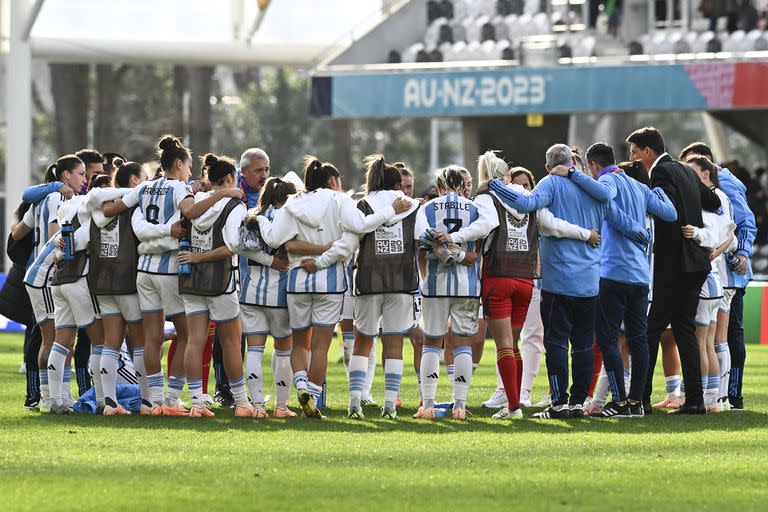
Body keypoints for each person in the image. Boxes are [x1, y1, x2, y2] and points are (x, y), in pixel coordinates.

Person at [489, 144, 646, 419]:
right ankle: (577, 403)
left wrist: (492, 185)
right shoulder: (594, 189)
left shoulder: (551, 183)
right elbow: (621, 220)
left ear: (549, 166)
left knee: (557, 343)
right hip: (590, 281)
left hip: (558, 281)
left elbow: (524, 204)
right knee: (585, 344)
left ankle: (559, 403)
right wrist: (641, 234)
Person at [257, 156, 410, 418]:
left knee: (299, 344)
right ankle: (312, 398)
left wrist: (258, 218)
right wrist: (389, 211)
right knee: (320, 347)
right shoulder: (339, 200)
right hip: (329, 281)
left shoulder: (294, 202)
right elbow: (360, 226)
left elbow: (273, 238)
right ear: (333, 180)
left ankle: (301, 385)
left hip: (297, 280)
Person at [102, 135, 243, 416]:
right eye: (189, 165)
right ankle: (172, 398)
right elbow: (190, 211)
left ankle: (152, 402)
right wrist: (222, 193)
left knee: (151, 336)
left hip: (145, 270)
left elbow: (109, 209)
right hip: (169, 268)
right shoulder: (179, 188)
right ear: (178, 163)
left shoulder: (145, 188)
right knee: (187, 335)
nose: (190, 172)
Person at [477, 156, 602, 418]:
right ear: (508, 176)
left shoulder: (487, 197)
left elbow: (482, 227)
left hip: (499, 276)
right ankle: (535, 397)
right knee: (520, 344)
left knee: (507, 345)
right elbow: (549, 224)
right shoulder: (533, 196)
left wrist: (455, 238)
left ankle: (514, 405)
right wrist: (586, 233)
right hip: (526, 280)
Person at [572, 143, 677, 418]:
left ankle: (619, 402)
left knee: (607, 338)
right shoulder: (640, 188)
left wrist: (573, 175)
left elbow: (606, 206)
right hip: (641, 276)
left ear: (593, 166)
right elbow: (670, 214)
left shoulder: (606, 180)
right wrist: (660, 191)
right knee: (638, 339)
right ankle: (636, 402)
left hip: (613, 271)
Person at [627, 127, 721, 415]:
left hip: (674, 265)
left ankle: (640, 398)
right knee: (683, 330)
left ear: (647, 151)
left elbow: (664, 209)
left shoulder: (662, 173)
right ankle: (694, 400)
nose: (632, 157)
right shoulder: (687, 170)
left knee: (651, 329)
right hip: (696, 264)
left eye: (633, 151)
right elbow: (714, 202)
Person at [325, 155, 420, 420]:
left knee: (362, 342)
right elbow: (422, 238)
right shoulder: (412, 205)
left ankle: (355, 401)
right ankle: (390, 405)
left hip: (368, 280)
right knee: (394, 343)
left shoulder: (363, 205)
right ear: (398, 184)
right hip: (401, 281)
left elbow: (350, 244)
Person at [177, 154, 258, 418]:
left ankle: (198, 403)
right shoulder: (233, 205)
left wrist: (195, 257)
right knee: (232, 343)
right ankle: (242, 403)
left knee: (194, 342)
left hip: (191, 279)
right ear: (231, 179)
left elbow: (175, 228)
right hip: (221, 281)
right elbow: (232, 246)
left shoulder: (194, 200)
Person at [412, 165, 493, 420]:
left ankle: (427, 404)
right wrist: (461, 254)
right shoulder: (476, 209)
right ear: (462, 185)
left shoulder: (427, 208)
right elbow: (479, 245)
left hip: (435, 285)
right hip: (467, 285)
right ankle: (459, 405)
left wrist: (447, 253)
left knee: (432, 343)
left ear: (439, 186)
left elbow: (422, 240)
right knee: (462, 345)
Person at [679, 142, 756, 411]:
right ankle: (719, 398)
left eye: (691, 166)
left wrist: (741, 254)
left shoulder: (725, 185)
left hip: (727, 273)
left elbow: (741, 224)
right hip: (719, 271)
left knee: (723, 338)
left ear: (708, 167)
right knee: (716, 339)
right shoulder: (714, 190)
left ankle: (727, 397)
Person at [14, 155, 86, 412]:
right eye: (81, 174)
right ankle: (50, 397)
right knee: (54, 339)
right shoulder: (58, 197)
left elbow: (17, 232)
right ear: (66, 175)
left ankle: (56, 396)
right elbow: (58, 235)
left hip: (45, 270)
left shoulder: (42, 199)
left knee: (58, 338)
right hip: (46, 274)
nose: (84, 180)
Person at [84, 162, 150, 414]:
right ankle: (147, 402)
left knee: (111, 342)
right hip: (128, 281)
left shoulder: (98, 206)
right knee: (141, 341)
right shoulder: (133, 207)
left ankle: (109, 402)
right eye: (144, 178)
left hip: (102, 279)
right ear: (134, 180)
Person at [45, 174, 111, 414]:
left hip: (59, 278)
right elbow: (82, 243)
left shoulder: (69, 207)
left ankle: (55, 401)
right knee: (100, 340)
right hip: (77, 279)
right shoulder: (91, 212)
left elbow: (58, 243)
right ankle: (105, 401)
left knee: (62, 342)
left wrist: (59, 248)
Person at [213, 147, 271, 407]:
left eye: (267, 170)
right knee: (225, 334)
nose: (264, 175)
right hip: (227, 270)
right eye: (259, 170)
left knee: (244, 333)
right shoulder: (230, 191)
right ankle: (223, 388)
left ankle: (237, 389)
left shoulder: (266, 192)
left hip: (253, 273)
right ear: (243, 171)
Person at [239, 177, 300, 418]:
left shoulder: (252, 215)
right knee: (284, 350)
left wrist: (265, 260)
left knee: (254, 349)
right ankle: (281, 407)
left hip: (251, 291)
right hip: (281, 294)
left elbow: (240, 246)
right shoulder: (291, 217)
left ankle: (257, 406)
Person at [682, 155, 736, 413]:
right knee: (710, 342)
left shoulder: (713, 200)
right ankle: (713, 398)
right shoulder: (718, 199)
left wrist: (708, 243)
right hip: (714, 279)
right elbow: (730, 234)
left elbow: (723, 235)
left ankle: (704, 398)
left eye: (692, 172)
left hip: (707, 279)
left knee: (701, 341)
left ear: (706, 173)